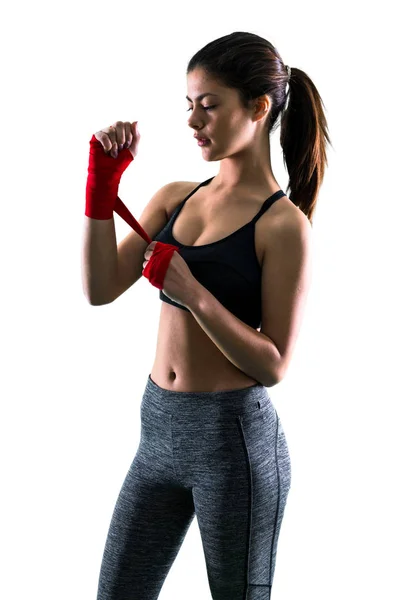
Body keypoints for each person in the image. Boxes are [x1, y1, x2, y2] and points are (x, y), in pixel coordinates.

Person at [82, 31, 331, 600]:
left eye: (210, 105)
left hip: (233, 444)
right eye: (188, 105)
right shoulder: (175, 197)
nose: (194, 120)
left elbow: (274, 364)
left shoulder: (282, 224)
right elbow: (100, 288)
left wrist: (193, 294)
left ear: (258, 108)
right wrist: (101, 192)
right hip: (156, 431)